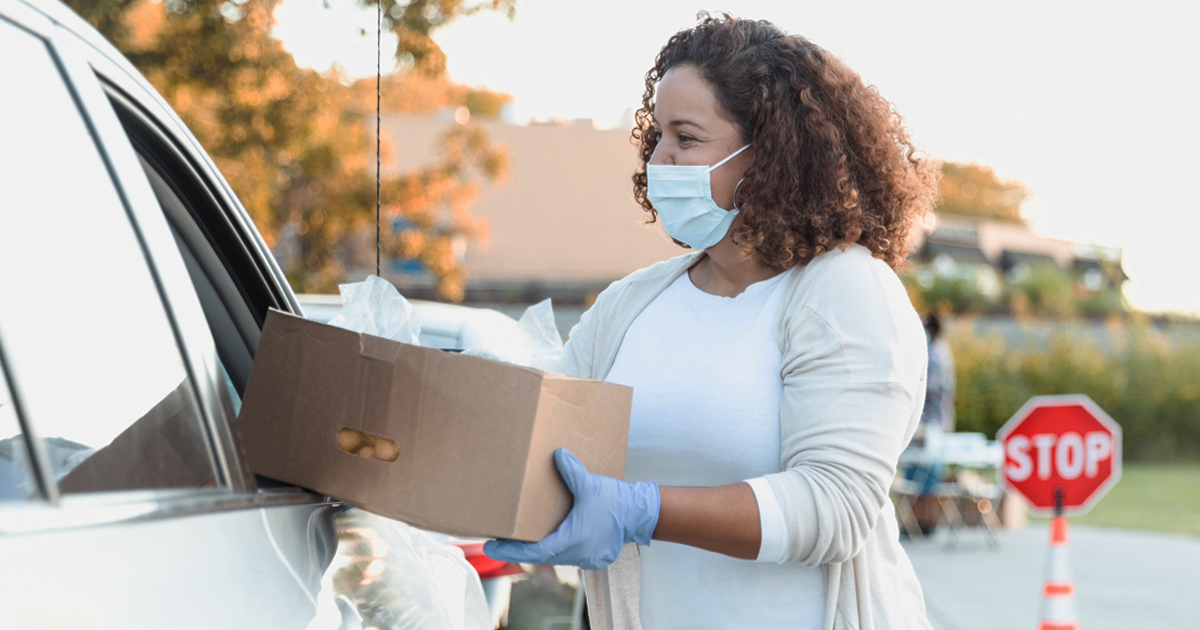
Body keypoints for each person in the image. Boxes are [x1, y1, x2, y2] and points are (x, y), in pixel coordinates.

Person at [485, 13, 938, 630]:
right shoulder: (632, 304)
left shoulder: (844, 290)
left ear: (771, 155)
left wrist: (643, 511)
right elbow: (540, 448)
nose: (658, 158)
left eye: (686, 137)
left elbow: (836, 506)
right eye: (658, 136)